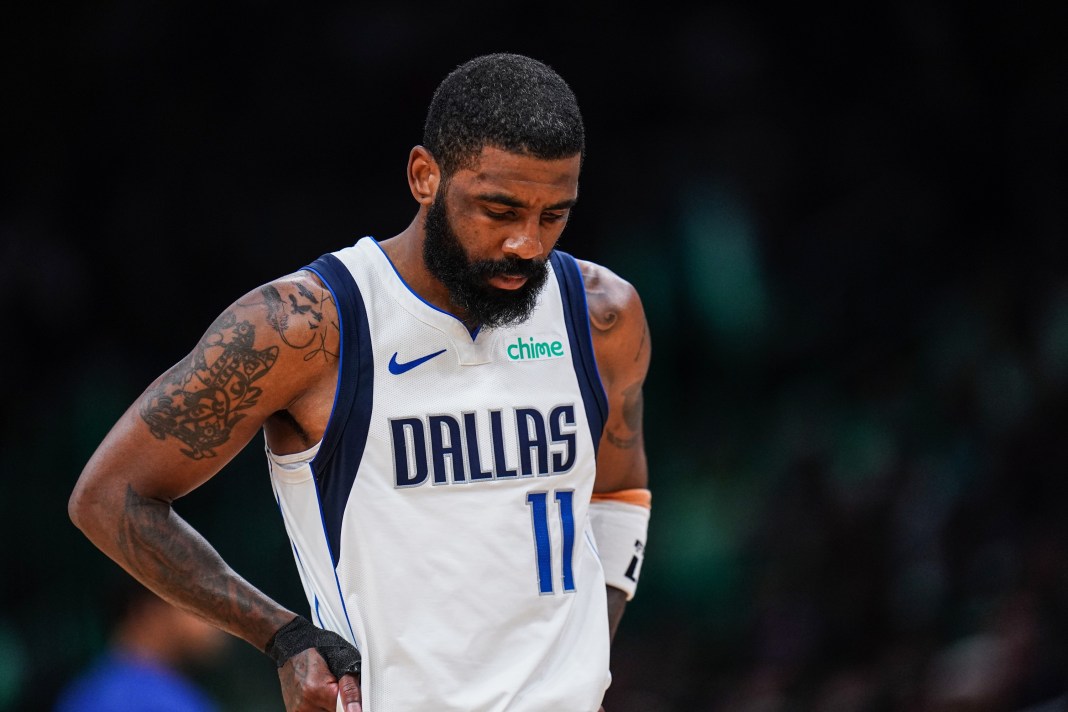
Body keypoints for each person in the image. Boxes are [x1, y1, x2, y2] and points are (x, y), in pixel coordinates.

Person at [69, 52, 651, 712]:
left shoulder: (603, 314)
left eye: (553, 216)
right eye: (500, 208)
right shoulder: (308, 326)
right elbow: (111, 495)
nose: (526, 243)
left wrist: (586, 650)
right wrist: (282, 636)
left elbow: (621, 490)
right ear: (424, 176)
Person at [54, 579, 225, 712]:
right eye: (200, 605)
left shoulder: (89, 691)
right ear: (148, 610)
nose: (218, 623)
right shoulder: (122, 701)